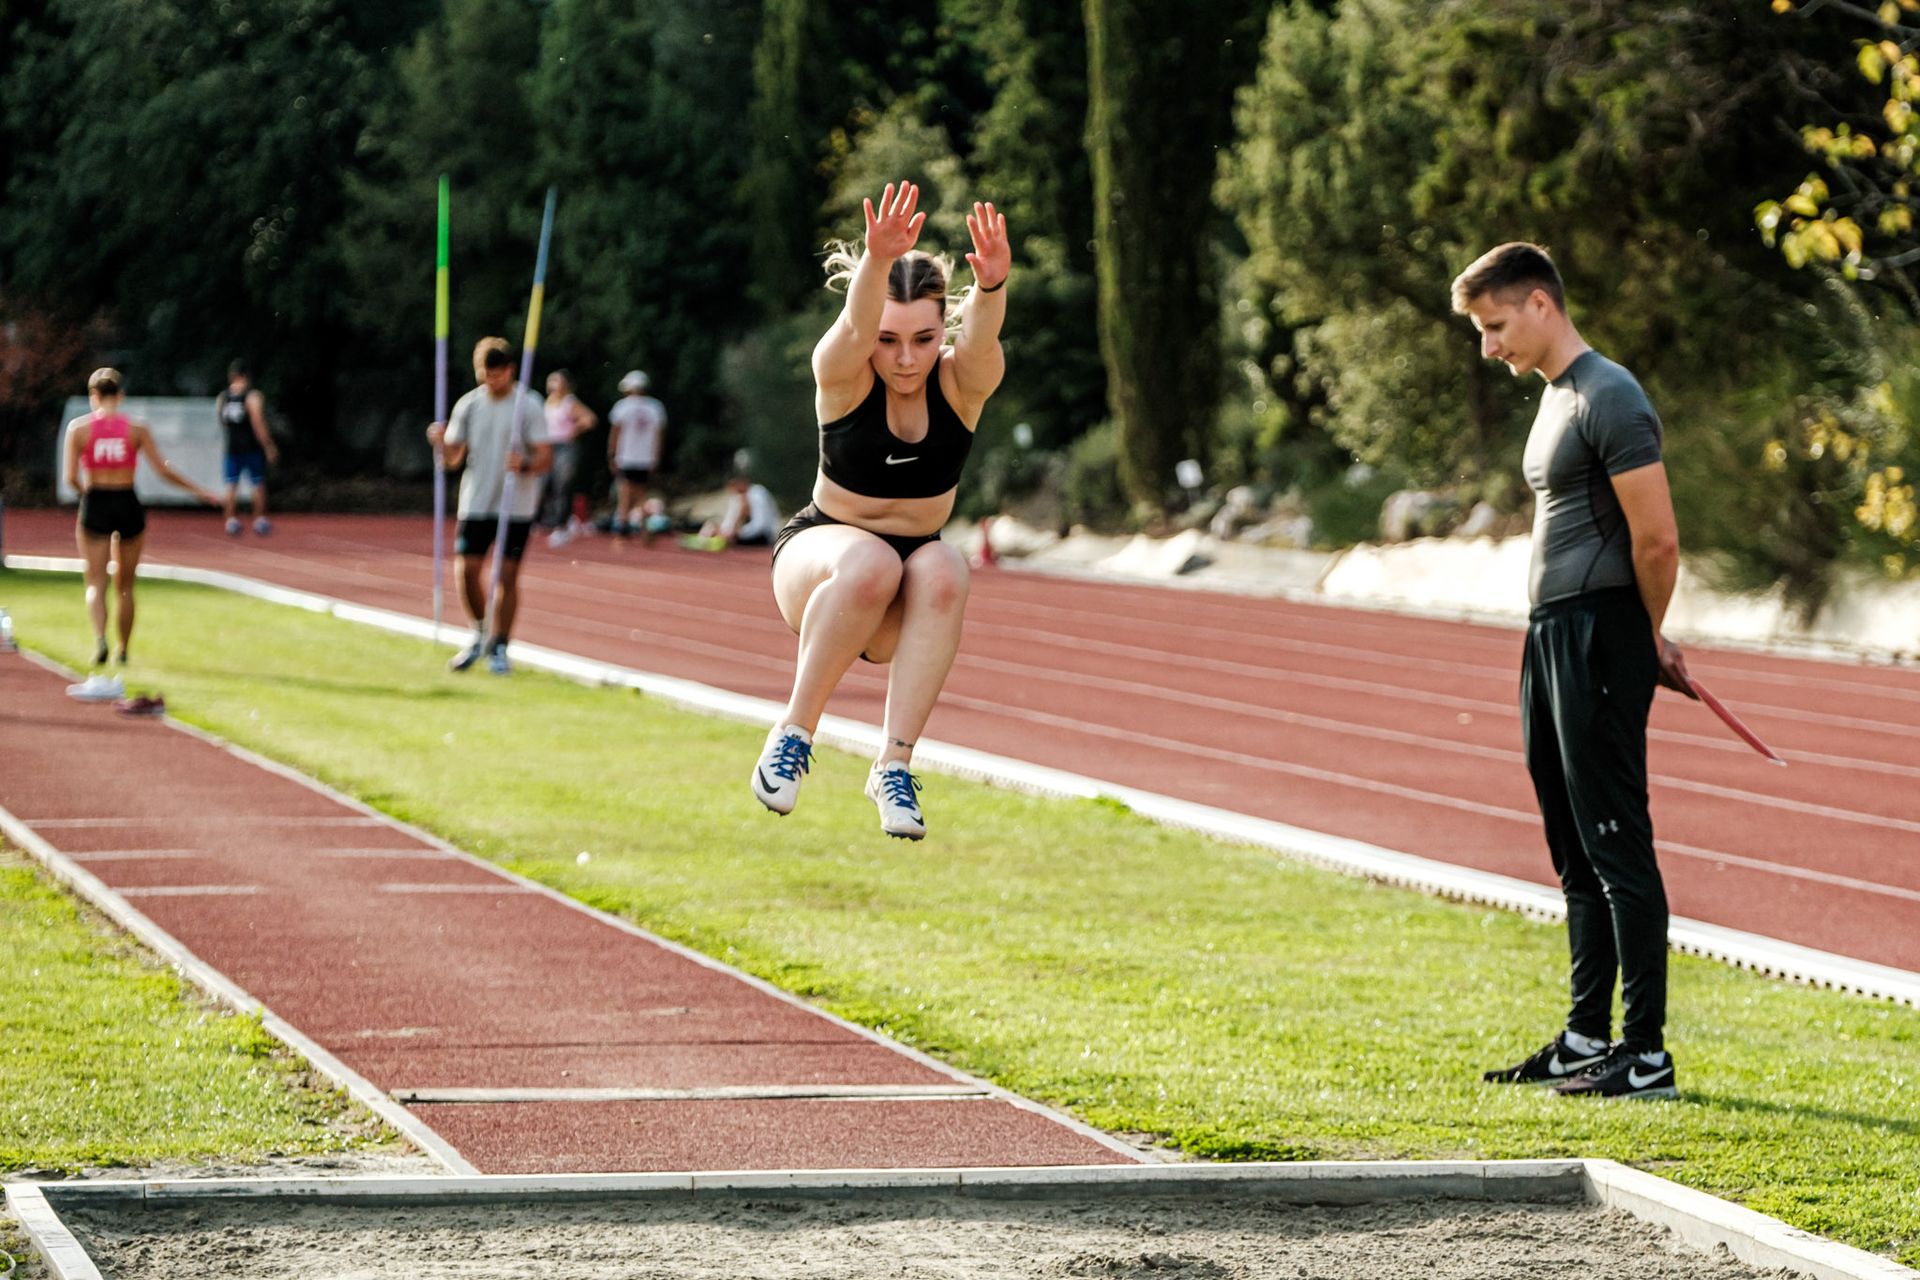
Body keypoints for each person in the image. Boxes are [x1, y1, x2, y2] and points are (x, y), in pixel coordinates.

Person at [1452, 242, 1693, 1101]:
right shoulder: (1558, 396)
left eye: (1495, 326)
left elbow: (1657, 540)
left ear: (1540, 304)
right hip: (1552, 632)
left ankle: (1646, 1052)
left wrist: (1646, 634)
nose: (1489, 348)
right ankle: (1587, 1035)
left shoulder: (1610, 394)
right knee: (1572, 840)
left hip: (1599, 633)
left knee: (1616, 839)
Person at [750, 183, 1009, 840]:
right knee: (870, 560)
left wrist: (991, 284)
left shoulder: (961, 385)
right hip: (821, 560)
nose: (905, 359)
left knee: (946, 566)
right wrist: (876, 259)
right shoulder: (843, 372)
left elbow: (980, 343)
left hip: (901, 587)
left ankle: (893, 765)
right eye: (889, 340)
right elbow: (854, 326)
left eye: (923, 339)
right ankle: (793, 733)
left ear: (942, 331)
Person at [60, 368, 220, 699]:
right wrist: (199, 491)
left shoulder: (79, 429)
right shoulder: (136, 429)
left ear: (93, 396)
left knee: (95, 582)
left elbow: (70, 478)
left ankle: (100, 638)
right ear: (120, 395)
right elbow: (162, 470)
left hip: (96, 501)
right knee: (126, 586)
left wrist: (86, 493)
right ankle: (123, 649)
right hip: (127, 501)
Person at [425, 338, 551, 676]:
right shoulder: (469, 405)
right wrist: (440, 444)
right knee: (467, 570)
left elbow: (545, 457)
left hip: (516, 504)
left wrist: (524, 464)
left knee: (507, 574)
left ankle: (500, 645)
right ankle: (480, 633)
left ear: (510, 370)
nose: (491, 381)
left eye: (496, 374)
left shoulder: (528, 405)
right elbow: (452, 459)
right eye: (485, 375)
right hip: (477, 500)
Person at [217, 359, 278, 536]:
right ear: (246, 376)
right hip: (251, 447)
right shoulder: (252, 396)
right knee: (257, 483)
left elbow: (222, 421)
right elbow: (257, 422)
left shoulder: (223, 397)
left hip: (232, 447)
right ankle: (259, 520)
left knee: (231, 484)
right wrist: (268, 445)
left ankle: (230, 521)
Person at [606, 370, 667, 543]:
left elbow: (615, 433)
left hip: (626, 456)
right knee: (641, 494)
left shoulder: (622, 406)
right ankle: (644, 527)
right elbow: (658, 436)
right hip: (645, 457)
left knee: (625, 493)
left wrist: (612, 454)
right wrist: (656, 456)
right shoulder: (655, 407)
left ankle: (622, 527)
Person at [540, 369, 596, 548]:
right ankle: (551, 519)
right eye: (551, 381)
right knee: (545, 484)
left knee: (562, 485)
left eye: (556, 381)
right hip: (548, 446)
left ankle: (561, 526)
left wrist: (573, 430)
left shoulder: (569, 402)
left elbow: (590, 419)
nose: (552, 385)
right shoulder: (548, 402)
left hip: (564, 447)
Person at [702, 474, 781, 547]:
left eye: (734, 485)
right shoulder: (737, 496)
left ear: (742, 482)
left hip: (764, 535)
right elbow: (731, 519)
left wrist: (739, 533)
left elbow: (760, 526)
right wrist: (724, 531)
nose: (733, 489)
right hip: (747, 533)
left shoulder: (757, 494)